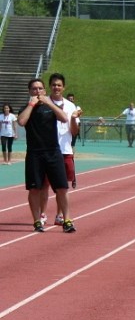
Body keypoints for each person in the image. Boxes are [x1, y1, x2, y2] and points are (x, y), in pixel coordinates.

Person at [17, 77, 73, 233]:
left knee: (62, 187)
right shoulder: (26, 108)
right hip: (35, 154)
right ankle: (37, 221)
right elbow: (21, 122)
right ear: (30, 92)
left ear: (45, 90)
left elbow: (63, 118)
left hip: (53, 152)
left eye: (40, 89)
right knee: (34, 189)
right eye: (34, 89)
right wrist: (31, 104)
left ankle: (67, 219)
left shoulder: (51, 107)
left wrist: (49, 103)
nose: (38, 91)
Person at [47, 73, 81, 226]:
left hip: (65, 150)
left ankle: (59, 215)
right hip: (47, 150)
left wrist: (73, 118)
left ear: (63, 87)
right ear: (50, 86)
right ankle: (41, 215)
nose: (56, 87)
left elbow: (74, 131)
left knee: (62, 186)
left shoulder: (70, 106)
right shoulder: (44, 103)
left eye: (59, 85)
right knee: (43, 185)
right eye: (54, 85)